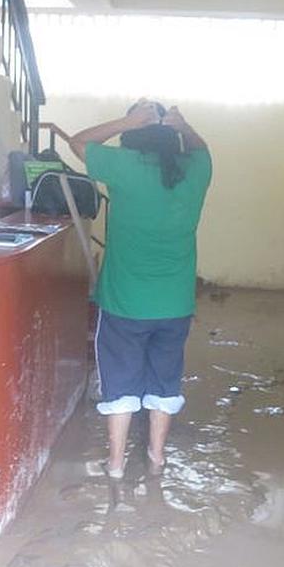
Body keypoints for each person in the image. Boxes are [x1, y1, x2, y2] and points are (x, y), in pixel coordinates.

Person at [68, 100, 212, 479]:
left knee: (120, 381)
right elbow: (202, 148)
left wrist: (126, 120)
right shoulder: (195, 170)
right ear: (171, 134)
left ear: (135, 131)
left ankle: (115, 464)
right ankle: (156, 456)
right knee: (165, 380)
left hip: (125, 302)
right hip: (176, 304)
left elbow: (78, 142)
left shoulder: (124, 166)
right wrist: (183, 125)